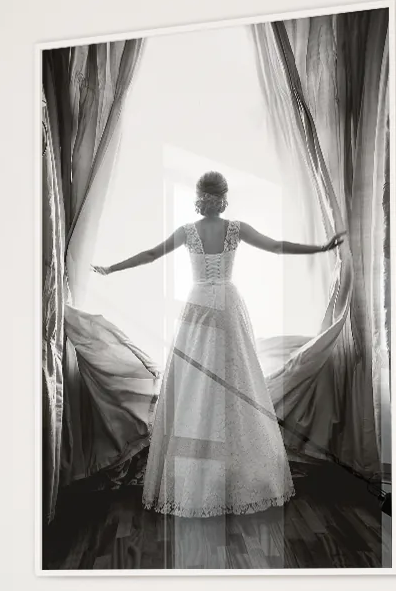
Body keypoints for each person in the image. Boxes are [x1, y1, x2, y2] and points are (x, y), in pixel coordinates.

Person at [93, 171, 343, 518]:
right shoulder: (235, 228)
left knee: (196, 385)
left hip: (199, 305)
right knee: (235, 381)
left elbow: (151, 254)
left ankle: (203, 476)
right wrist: (321, 248)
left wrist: (111, 269)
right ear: (223, 196)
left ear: (200, 196)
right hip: (226, 303)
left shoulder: (188, 231)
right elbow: (277, 247)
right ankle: (229, 474)